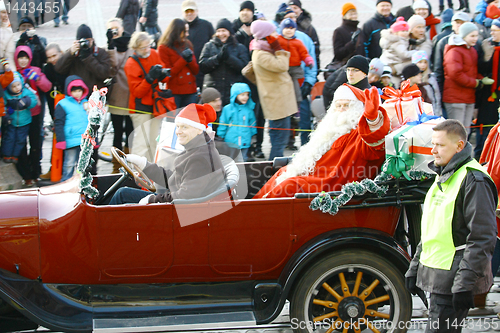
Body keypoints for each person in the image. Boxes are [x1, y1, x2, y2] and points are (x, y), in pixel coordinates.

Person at [405, 119, 497, 331]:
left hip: (454, 282)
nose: (433, 150)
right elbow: (433, 230)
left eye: (440, 145)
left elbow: (482, 238)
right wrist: (415, 268)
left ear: (459, 146)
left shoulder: (474, 180)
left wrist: (464, 284)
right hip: (442, 279)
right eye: (433, 144)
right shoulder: (446, 176)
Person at [254, 84, 390, 198]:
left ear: (357, 109)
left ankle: (255, 217)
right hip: (314, 174)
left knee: (288, 185)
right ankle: (251, 209)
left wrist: (373, 120)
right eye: (338, 106)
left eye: (346, 106)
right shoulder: (330, 128)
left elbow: (375, 145)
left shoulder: (360, 132)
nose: (341, 110)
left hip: (330, 183)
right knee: (282, 172)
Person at [109, 103, 225, 205]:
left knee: (122, 194)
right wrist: (144, 164)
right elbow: (174, 180)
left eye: (184, 127)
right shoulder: (197, 148)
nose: (178, 131)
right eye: (178, 127)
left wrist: (152, 200)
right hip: (179, 204)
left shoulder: (200, 157)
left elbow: (185, 197)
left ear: (199, 130)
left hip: (180, 212)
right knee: (123, 192)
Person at [250, 20, 297, 161]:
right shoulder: (261, 54)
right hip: (276, 103)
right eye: (273, 33)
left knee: (279, 137)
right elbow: (282, 66)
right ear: (265, 35)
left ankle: (275, 165)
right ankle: (274, 168)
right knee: (279, 139)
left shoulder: (264, 49)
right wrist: (278, 49)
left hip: (279, 101)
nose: (276, 35)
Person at [124, 31, 170, 162]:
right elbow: (137, 92)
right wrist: (149, 79)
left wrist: (163, 76)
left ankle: (152, 172)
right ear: (135, 48)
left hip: (155, 105)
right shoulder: (131, 63)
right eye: (143, 48)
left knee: (155, 142)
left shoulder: (154, 54)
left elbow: (165, 75)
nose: (147, 50)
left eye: (148, 46)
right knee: (141, 143)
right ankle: (136, 172)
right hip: (140, 107)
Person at [443, 22, 491, 133]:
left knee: (465, 132)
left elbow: (472, 71)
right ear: (464, 36)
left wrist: (481, 79)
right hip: (455, 98)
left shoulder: (471, 50)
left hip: (468, 97)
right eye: (472, 36)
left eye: (476, 35)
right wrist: (476, 83)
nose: (475, 39)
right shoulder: (455, 51)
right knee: (456, 132)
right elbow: (455, 74)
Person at [14, 46, 51, 185]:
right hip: (20, 116)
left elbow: (47, 86)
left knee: (36, 144)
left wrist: (37, 79)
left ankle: (35, 172)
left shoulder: (35, 70)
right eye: (20, 57)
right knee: (21, 145)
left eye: (25, 57)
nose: (23, 61)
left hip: (35, 114)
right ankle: (26, 174)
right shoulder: (13, 73)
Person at [106, 18, 134, 174]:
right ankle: (116, 166)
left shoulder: (132, 45)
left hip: (130, 96)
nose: (115, 32)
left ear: (122, 28)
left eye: (116, 28)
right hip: (117, 97)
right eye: (111, 29)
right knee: (117, 132)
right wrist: (110, 45)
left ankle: (129, 164)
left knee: (130, 132)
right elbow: (112, 67)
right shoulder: (110, 47)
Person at [199, 18, 249, 106]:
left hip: (231, 92)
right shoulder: (209, 46)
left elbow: (244, 68)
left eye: (224, 31)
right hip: (213, 92)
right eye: (218, 31)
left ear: (229, 32)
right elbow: (203, 66)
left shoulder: (239, 47)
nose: (221, 34)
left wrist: (229, 58)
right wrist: (218, 58)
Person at [55, 24, 111, 97]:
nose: (85, 44)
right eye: (82, 41)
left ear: (92, 40)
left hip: (95, 97)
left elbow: (104, 74)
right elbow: (59, 69)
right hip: (76, 97)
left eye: (88, 41)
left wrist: (88, 58)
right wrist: (70, 53)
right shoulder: (73, 53)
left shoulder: (100, 53)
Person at [54, 76, 89, 182]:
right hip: (71, 139)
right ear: (69, 91)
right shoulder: (63, 104)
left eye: (79, 90)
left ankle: (82, 182)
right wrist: (61, 140)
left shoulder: (86, 103)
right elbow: (58, 123)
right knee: (69, 163)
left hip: (84, 139)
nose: (78, 93)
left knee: (83, 164)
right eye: (75, 91)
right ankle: (65, 182)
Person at [158, 18, 199, 108]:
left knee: (189, 120)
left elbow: (195, 70)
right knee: (174, 121)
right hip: (175, 92)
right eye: (185, 32)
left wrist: (190, 60)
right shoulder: (164, 48)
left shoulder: (188, 44)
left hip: (190, 90)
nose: (187, 34)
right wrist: (183, 60)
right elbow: (168, 74)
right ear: (177, 31)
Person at [2, 72, 38, 165]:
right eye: (14, 86)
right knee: (9, 138)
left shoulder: (26, 92)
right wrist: (5, 115)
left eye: (18, 85)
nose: (17, 87)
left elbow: (34, 101)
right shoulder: (7, 95)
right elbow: (3, 105)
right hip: (12, 121)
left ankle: (15, 155)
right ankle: (7, 154)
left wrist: (27, 101)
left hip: (24, 121)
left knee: (21, 140)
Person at [278, 18, 314, 105]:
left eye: (291, 28)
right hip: (282, 68)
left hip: (295, 68)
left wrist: (308, 61)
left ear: (295, 30)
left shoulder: (298, 42)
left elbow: (304, 54)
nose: (289, 31)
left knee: (296, 89)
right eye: (286, 28)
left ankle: (296, 107)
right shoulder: (278, 40)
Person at [217, 83, 256, 162]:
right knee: (230, 160)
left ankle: (242, 173)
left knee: (242, 159)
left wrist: (253, 136)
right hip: (231, 141)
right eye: (242, 95)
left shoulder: (249, 109)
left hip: (245, 140)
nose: (246, 97)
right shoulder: (228, 109)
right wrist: (220, 136)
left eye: (247, 95)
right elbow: (223, 123)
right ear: (235, 95)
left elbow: (252, 123)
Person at [434, 11, 470, 94]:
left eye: (463, 23)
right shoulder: (443, 42)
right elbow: (438, 70)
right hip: (450, 91)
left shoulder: (475, 43)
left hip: (470, 90)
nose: (459, 25)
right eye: (457, 22)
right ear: (452, 25)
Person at [182, 0, 214, 89]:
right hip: (184, 69)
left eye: (191, 11)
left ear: (197, 11)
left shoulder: (206, 25)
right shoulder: (179, 27)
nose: (189, 14)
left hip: (202, 69)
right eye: (186, 11)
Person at [286, 0, 321, 68]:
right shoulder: (280, 27)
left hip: (304, 66)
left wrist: (316, 67)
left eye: (295, 8)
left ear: (301, 10)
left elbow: (315, 50)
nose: (292, 10)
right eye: (290, 8)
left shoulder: (308, 28)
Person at [380, 16, 416, 82]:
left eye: (406, 31)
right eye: (402, 31)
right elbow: (404, 54)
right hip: (394, 63)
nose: (405, 33)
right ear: (396, 32)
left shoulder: (390, 39)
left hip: (387, 62)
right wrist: (414, 52)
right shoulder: (398, 41)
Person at [331, 3, 363, 71]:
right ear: (344, 16)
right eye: (351, 14)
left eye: (355, 13)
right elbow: (338, 54)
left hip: (360, 67)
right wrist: (351, 44)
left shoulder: (359, 30)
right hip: (346, 68)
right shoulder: (339, 31)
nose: (354, 16)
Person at [412, 50, 442, 115]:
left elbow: (436, 96)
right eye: (420, 62)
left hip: (432, 110)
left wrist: (436, 112)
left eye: (425, 62)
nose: (423, 65)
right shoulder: (412, 80)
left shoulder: (431, 78)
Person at [0, 2, 15, 66]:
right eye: (3, 12)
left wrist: (13, 73)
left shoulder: (9, 32)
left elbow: (9, 57)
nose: (6, 15)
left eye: (8, 13)